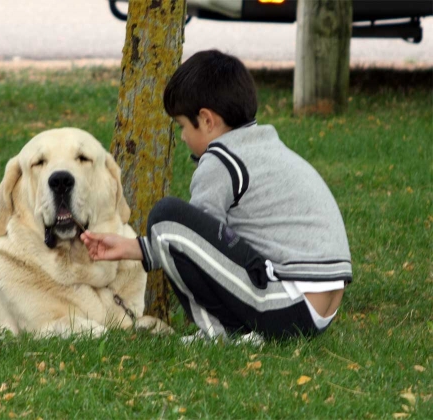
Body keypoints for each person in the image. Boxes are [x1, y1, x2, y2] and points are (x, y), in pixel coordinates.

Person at [81, 50, 352, 342]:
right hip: (317, 311)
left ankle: (219, 334)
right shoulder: (263, 146)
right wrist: (131, 248)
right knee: (172, 230)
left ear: (207, 121)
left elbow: (195, 248)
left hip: (287, 304)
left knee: (165, 217)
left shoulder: (221, 160)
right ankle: (242, 332)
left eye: (183, 126)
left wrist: (152, 240)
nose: (182, 137)